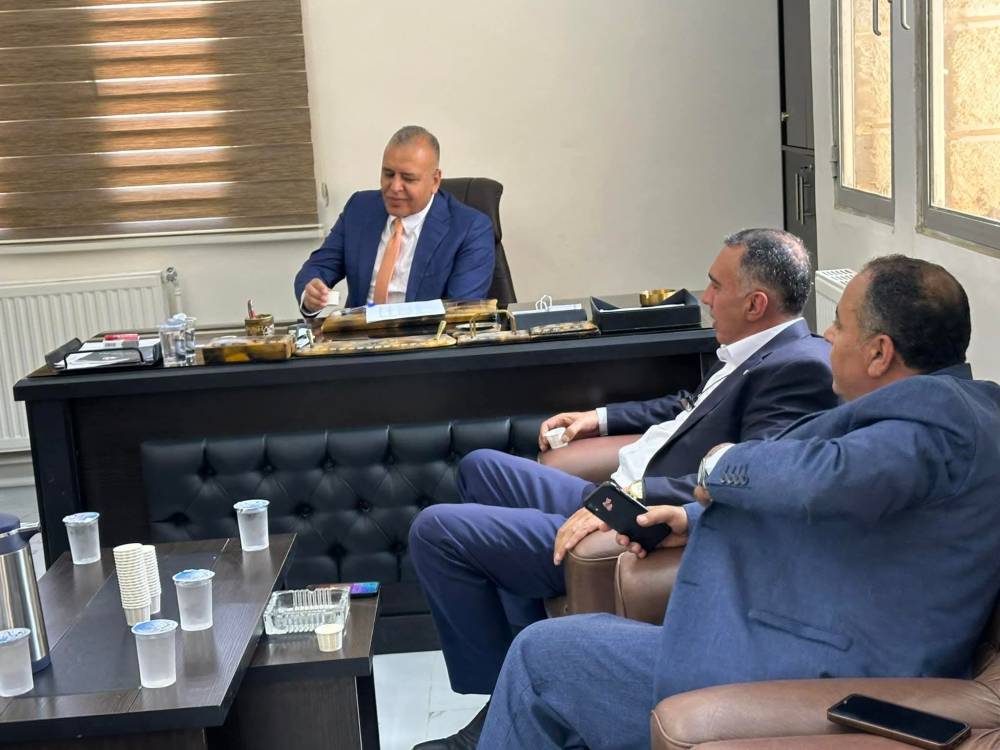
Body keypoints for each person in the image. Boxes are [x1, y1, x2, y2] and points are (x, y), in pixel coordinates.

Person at [477, 255, 1000, 750]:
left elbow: (826, 477)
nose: (828, 336)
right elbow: (855, 503)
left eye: (840, 325)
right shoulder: (948, 416)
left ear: (880, 352)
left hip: (826, 671)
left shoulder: (941, 421)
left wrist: (721, 464)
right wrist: (692, 518)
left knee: (542, 656)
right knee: (568, 644)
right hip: (804, 636)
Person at [408, 229, 839, 750]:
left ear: (755, 303)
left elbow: (748, 473)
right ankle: (510, 693)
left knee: (437, 531)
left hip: (633, 512)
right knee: (481, 467)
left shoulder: (799, 368)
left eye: (715, 285)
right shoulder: (749, 350)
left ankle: (493, 706)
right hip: (616, 489)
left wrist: (634, 498)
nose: (704, 297)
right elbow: (687, 408)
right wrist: (598, 417)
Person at [293, 125, 495, 312]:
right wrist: (311, 293)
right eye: (388, 174)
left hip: (426, 337)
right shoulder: (359, 209)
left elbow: (459, 310)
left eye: (408, 178)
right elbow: (318, 267)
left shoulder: (470, 228)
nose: (395, 187)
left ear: (435, 181)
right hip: (359, 334)